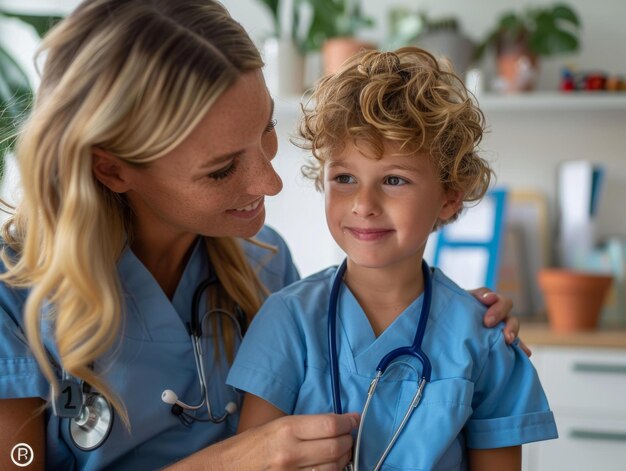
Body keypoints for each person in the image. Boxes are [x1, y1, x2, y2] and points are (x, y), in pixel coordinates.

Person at [0, 2, 521, 470]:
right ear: (112, 170)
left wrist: (445, 323)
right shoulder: (11, 296)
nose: (269, 182)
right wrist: (233, 462)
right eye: (222, 169)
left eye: (266, 129)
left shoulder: (265, 263)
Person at [228, 47, 558, 470]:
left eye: (394, 179)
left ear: (449, 197)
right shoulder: (287, 320)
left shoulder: (485, 338)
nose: (364, 204)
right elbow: (252, 459)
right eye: (345, 178)